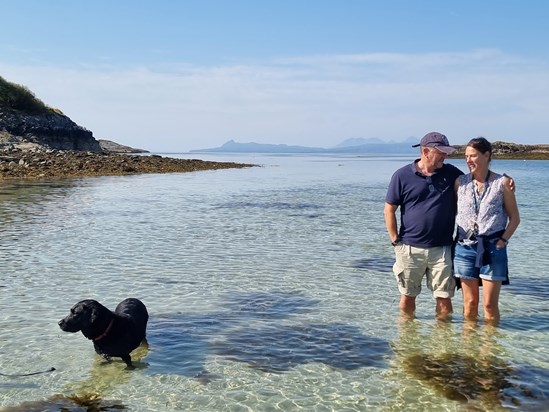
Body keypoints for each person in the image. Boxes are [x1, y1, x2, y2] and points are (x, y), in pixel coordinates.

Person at [384, 132, 463, 319]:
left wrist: (503, 182)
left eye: (446, 152)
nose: (446, 155)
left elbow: (478, 183)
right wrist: (395, 241)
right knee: (408, 296)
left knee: (444, 298)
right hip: (409, 248)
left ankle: (443, 343)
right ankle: (407, 339)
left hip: (442, 249)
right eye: (441, 152)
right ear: (426, 151)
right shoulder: (402, 175)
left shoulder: (452, 173)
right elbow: (389, 209)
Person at [453, 137, 520, 324]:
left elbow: (515, 218)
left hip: (492, 247)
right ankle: (469, 348)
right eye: (466, 156)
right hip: (464, 248)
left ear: (486, 155)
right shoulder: (460, 182)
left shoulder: (503, 183)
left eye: (473, 155)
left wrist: (503, 241)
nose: (468, 160)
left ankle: (489, 349)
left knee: (489, 305)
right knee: (470, 303)